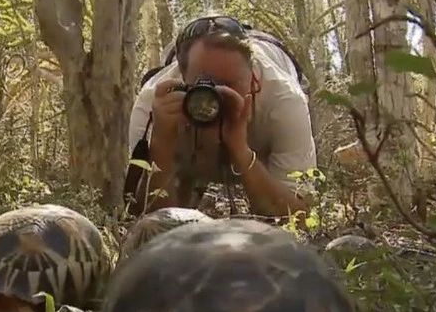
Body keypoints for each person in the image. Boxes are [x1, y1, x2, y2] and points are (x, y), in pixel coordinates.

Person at [123, 15, 318, 218]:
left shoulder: (285, 101)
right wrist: (161, 145)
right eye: (204, 83)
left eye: (231, 84)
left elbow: (298, 218)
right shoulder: (154, 104)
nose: (217, 96)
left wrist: (240, 150)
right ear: (182, 78)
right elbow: (150, 220)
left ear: (254, 80)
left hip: (276, 61)